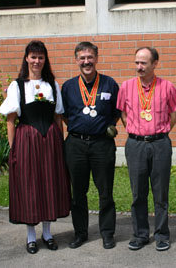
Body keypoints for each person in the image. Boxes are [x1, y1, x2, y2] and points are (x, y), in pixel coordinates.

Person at [0, 40, 71, 254]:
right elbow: (10, 120)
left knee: (49, 183)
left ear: (45, 59)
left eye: (40, 57)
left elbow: (58, 117)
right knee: (30, 185)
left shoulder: (53, 85)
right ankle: (31, 236)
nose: (37, 61)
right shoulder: (17, 85)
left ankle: (47, 233)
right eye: (33, 57)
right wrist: (14, 150)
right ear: (27, 58)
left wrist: (60, 142)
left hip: (50, 140)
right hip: (26, 140)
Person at [117, 47, 176, 252]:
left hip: (160, 144)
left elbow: (173, 115)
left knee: (160, 193)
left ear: (155, 64)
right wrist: (136, 131)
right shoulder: (126, 87)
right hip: (135, 144)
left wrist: (159, 133)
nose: (139, 67)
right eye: (137, 62)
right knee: (138, 193)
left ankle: (162, 234)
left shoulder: (167, 87)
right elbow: (123, 114)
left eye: (144, 63)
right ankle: (140, 234)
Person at [62, 41, 120, 250]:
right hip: (76, 144)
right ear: (76, 60)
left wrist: (107, 127)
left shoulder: (109, 84)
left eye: (90, 57)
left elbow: (117, 112)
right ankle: (80, 233)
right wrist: (80, 129)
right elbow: (65, 115)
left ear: (96, 58)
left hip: (102, 145)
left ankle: (107, 233)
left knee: (105, 191)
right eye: (82, 58)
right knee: (78, 192)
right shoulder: (68, 87)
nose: (86, 61)